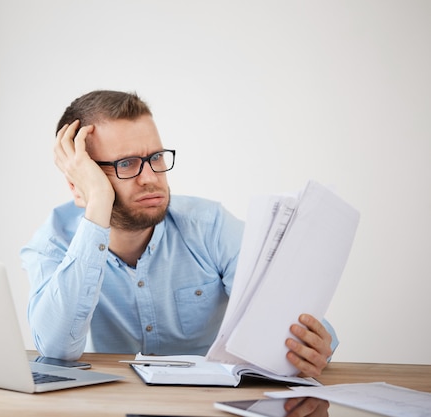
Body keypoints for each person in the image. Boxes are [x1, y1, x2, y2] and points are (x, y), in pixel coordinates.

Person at [20, 90, 337, 377]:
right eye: (127, 164)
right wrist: (98, 202)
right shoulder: (53, 243)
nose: (150, 178)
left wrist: (315, 344)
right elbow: (57, 350)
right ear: (81, 182)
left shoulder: (209, 226)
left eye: (155, 157)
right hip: (112, 406)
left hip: (207, 406)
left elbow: (287, 313)